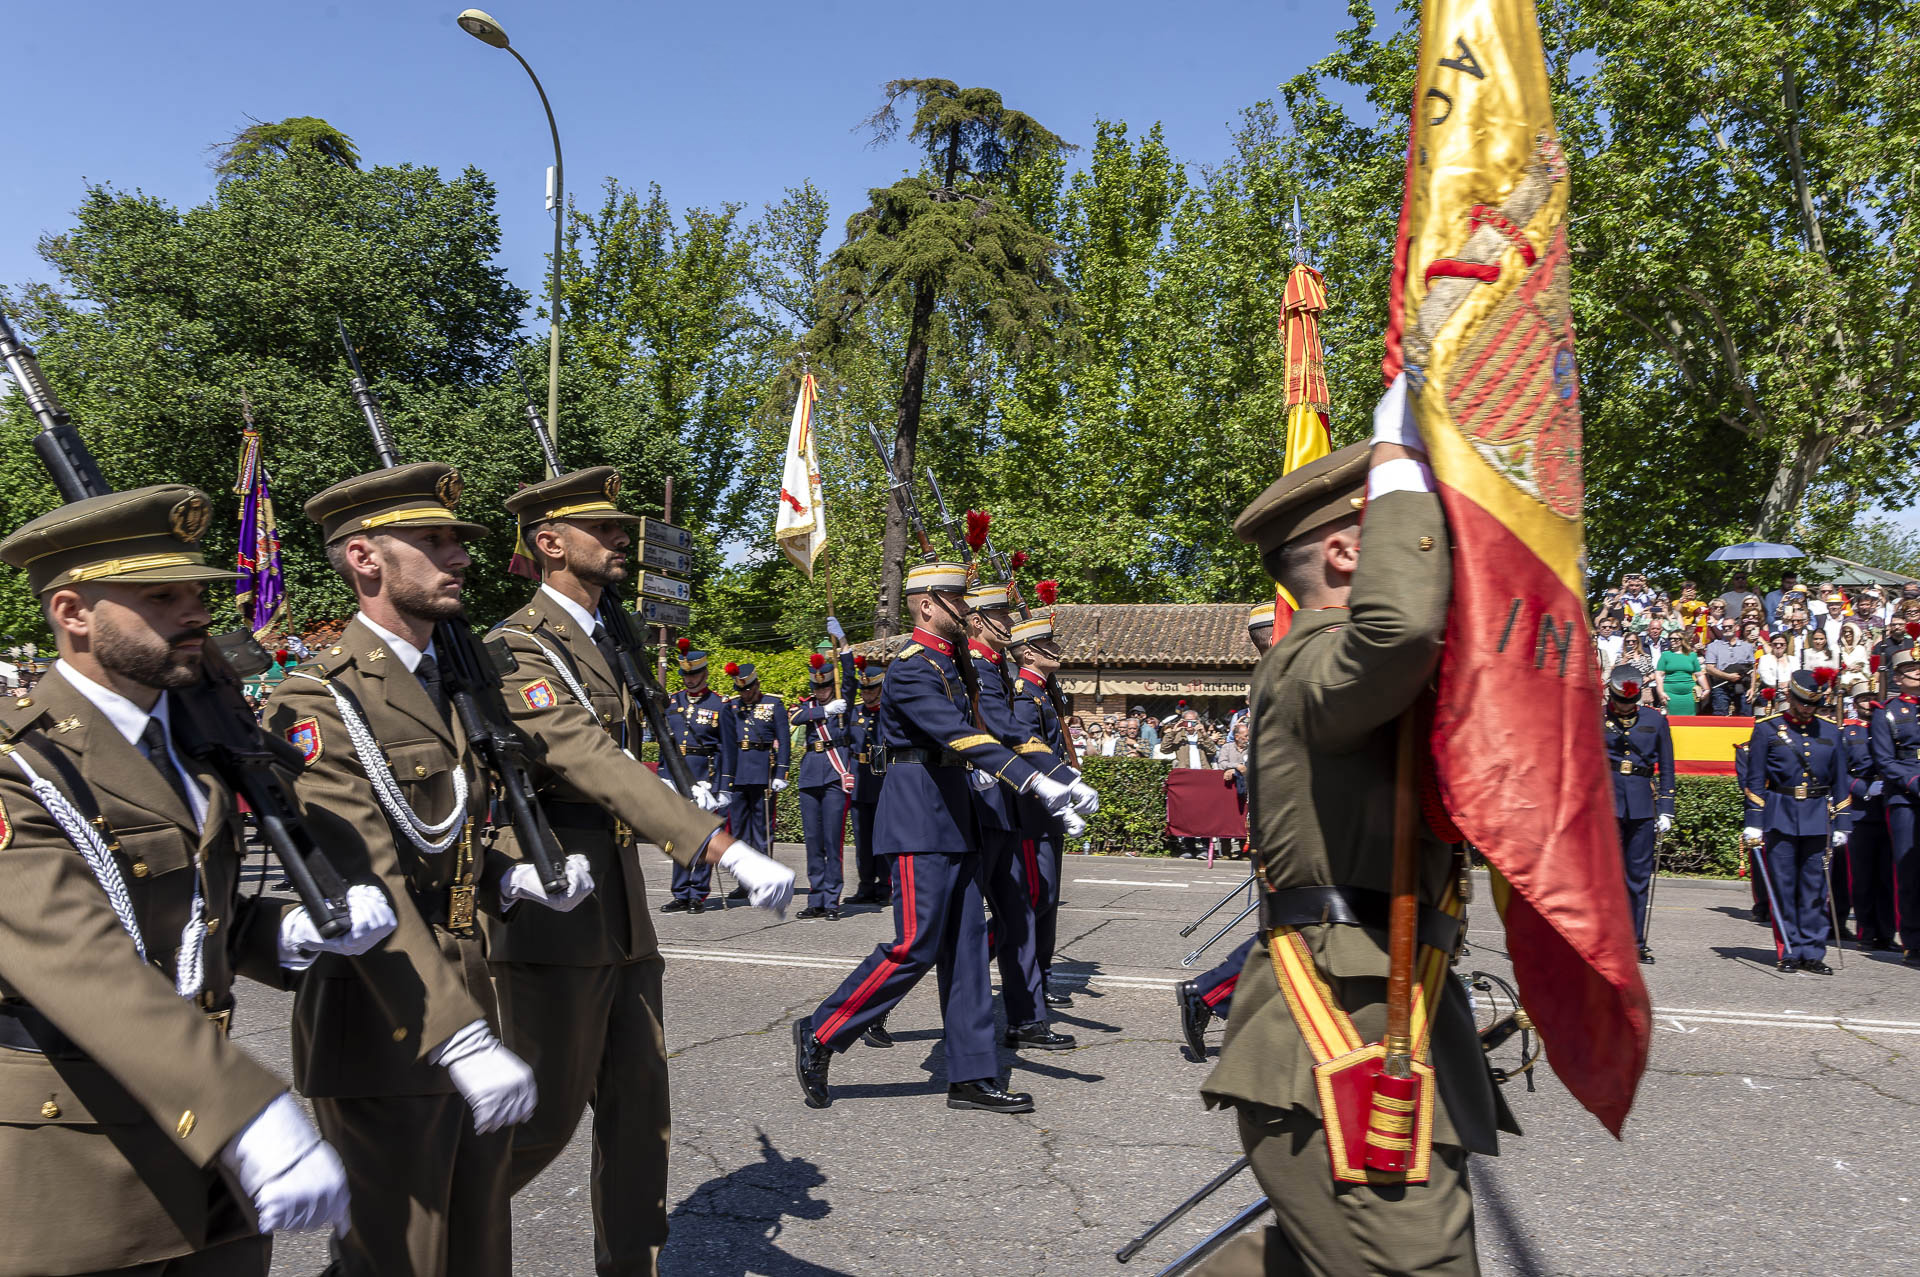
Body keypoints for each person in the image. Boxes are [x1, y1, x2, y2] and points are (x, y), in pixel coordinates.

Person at [0, 485, 358, 1274]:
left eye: (198, 592)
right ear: (72, 612)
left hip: (215, 1180)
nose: (194, 611)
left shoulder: (191, 745)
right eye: (160, 595)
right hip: (81, 1167)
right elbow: (77, 958)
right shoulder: (17, 767)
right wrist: (250, 1112)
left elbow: (185, 915)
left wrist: (282, 933)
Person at [1196, 417, 1513, 1275]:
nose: (1433, 554)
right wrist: (1402, 463)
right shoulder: (1317, 661)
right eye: (1409, 537)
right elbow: (1403, 629)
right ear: (1347, 556)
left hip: (1386, 1012)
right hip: (1344, 1033)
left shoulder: (1352, 673)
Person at [485, 468, 793, 1276]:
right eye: (603, 530)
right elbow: (585, 754)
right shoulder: (515, 645)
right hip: (554, 903)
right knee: (541, 1123)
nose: (622, 539)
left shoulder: (605, 636)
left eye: (622, 528)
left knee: (639, 1117)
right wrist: (714, 842)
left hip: (620, 912)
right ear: (550, 543)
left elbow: (632, 740)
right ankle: (409, 1237)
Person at [262, 463, 545, 1276]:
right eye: (432, 541)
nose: (459, 558)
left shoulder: (454, 683)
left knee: (481, 1247)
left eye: (458, 540)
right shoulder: (316, 701)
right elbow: (366, 872)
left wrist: (506, 873)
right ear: (364, 559)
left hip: (472, 994)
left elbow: (448, 831)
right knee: (402, 1260)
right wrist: (457, 1037)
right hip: (385, 1019)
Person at [792, 563, 1093, 1114]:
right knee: (916, 943)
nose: (970, 611)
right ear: (927, 605)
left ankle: (972, 1075)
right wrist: (1029, 779)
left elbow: (996, 724)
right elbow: (957, 735)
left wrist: (1055, 777)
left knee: (965, 955)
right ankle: (821, 1029)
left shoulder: (953, 666)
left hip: (957, 815)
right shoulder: (911, 669)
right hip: (919, 817)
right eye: (959, 601)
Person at [964, 579, 1075, 1052]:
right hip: (1000, 802)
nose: (1009, 624)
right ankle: (881, 1008)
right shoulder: (979, 672)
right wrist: (1050, 779)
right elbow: (1007, 734)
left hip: (1019, 802)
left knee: (1026, 909)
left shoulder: (1007, 677)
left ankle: (1027, 1015)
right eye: (1002, 617)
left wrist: (1062, 776)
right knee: (946, 933)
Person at [1176, 602, 1279, 1059]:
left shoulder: (1271, 681)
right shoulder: (1281, 681)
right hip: (1288, 829)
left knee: (1291, 931)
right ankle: (1211, 991)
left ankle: (1228, 999)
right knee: (1293, 931)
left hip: (1279, 824)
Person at [1741, 670, 1849, 973]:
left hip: (1817, 815)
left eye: (1812, 704)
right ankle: (1788, 950)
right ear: (1790, 698)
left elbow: (1841, 780)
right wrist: (1754, 820)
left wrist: (1843, 822)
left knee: (1815, 889)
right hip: (1781, 813)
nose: (1806, 709)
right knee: (1784, 887)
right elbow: (1755, 779)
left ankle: (1813, 952)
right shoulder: (1767, 729)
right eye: (1801, 702)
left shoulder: (1830, 731)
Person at [1006, 605, 1085, 1012]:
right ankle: (1028, 979)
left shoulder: (1041, 692)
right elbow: (1025, 749)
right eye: (1047, 643)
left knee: (1047, 899)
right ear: (1028, 653)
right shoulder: (1024, 695)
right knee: (1036, 898)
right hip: (1031, 810)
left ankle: (1041, 975)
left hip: (1048, 811)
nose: (1056, 648)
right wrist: (1061, 777)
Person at [1604, 664, 1674, 964]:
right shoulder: (1597, 718)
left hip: (1643, 806)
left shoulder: (1654, 720)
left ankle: (1635, 941)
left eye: (1630, 704)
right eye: (1620, 702)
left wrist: (1667, 809)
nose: (1625, 709)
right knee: (1606, 879)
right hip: (1605, 805)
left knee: (1637, 878)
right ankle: (1606, 941)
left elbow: (1668, 767)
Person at [663, 642, 739, 912]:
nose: (690, 679)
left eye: (694, 674)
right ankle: (680, 891)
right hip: (676, 776)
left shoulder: (720, 704)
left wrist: (723, 785)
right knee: (677, 836)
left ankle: (698, 893)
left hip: (703, 777)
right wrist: (663, 774)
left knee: (702, 837)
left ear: (705, 674)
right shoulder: (672, 702)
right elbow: (666, 743)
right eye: (686, 675)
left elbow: (728, 749)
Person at [792, 641, 857, 920]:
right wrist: (823, 711)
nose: (821, 691)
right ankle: (815, 898)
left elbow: (851, 678)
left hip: (834, 776)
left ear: (832, 684)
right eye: (817, 688)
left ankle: (832, 900)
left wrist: (844, 649)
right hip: (809, 777)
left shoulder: (844, 704)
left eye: (825, 686)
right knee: (813, 842)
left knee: (833, 842)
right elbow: (794, 718)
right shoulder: (810, 707)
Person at [1869, 639, 1920, 964]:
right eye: (1913, 671)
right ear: (1899, 677)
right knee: (1910, 871)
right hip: (1906, 798)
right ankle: (1914, 941)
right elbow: (1885, 761)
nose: (1918, 675)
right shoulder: (1887, 713)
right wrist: (1913, 782)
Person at [716, 660, 790, 886]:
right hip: (739, 773)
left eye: (748, 689)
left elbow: (784, 742)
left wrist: (781, 773)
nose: (745, 694)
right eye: (741, 690)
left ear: (756, 685)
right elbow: (727, 744)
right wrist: (725, 781)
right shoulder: (731, 707)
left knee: (762, 829)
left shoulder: (773, 704)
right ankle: (744, 880)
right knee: (738, 830)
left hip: (763, 772)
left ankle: (764, 877)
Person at [1845, 693, 1895, 950]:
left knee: (1888, 878)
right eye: (1864, 699)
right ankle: (1866, 931)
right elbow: (1839, 773)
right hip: (1861, 813)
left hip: (1888, 811)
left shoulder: (1891, 726)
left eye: (1874, 698)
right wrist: (1862, 788)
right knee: (1863, 878)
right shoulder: (1848, 733)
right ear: (1855, 704)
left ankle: (1886, 933)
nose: (1869, 703)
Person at [844, 655, 889, 905]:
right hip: (860, 781)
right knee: (862, 839)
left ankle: (885, 885)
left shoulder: (889, 713)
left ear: (880, 689)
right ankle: (865, 885)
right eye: (864, 688)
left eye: (871, 688)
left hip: (882, 780)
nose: (867, 693)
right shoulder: (855, 712)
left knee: (881, 835)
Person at [1703, 620, 1755, 716]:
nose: (1726, 629)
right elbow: (1709, 668)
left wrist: (1752, 688)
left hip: (1742, 685)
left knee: (1745, 716)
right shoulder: (1713, 646)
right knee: (1720, 716)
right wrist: (1728, 676)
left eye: (1729, 626)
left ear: (1736, 627)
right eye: (1724, 627)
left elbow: (1752, 670)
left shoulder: (1747, 647)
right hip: (1721, 686)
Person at [1654, 630, 1704, 715]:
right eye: (1670, 639)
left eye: (1675, 639)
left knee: (1690, 719)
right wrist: (1661, 692)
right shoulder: (1665, 655)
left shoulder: (1692, 655)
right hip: (1670, 694)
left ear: (1682, 640)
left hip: (1690, 695)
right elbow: (1659, 675)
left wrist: (1706, 689)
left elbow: (1699, 675)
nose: (1672, 641)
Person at [1753, 632, 1795, 703]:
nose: (1778, 646)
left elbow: (1795, 675)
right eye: (1775, 644)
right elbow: (1765, 676)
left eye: (1782, 644)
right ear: (1771, 645)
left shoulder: (1793, 659)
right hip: (1769, 693)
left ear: (1786, 645)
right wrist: (1780, 686)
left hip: (1789, 693)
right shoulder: (1764, 659)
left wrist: (1787, 685)